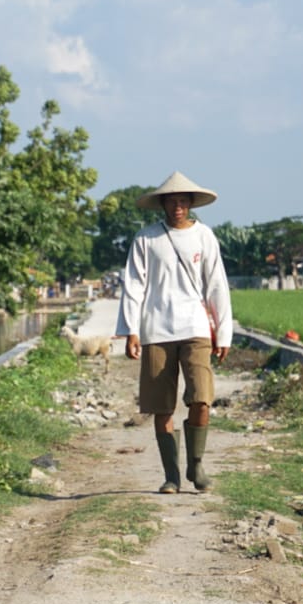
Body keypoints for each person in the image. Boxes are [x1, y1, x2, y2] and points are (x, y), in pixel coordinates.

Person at [115, 171, 234, 494]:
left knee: (201, 398)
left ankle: (196, 464)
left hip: (195, 328)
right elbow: (134, 286)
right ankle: (171, 475)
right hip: (156, 330)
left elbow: (217, 286)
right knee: (162, 406)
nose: (177, 206)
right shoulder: (146, 239)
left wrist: (223, 334)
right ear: (163, 205)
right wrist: (131, 331)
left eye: (183, 201)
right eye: (172, 201)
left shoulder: (204, 237)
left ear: (191, 204)